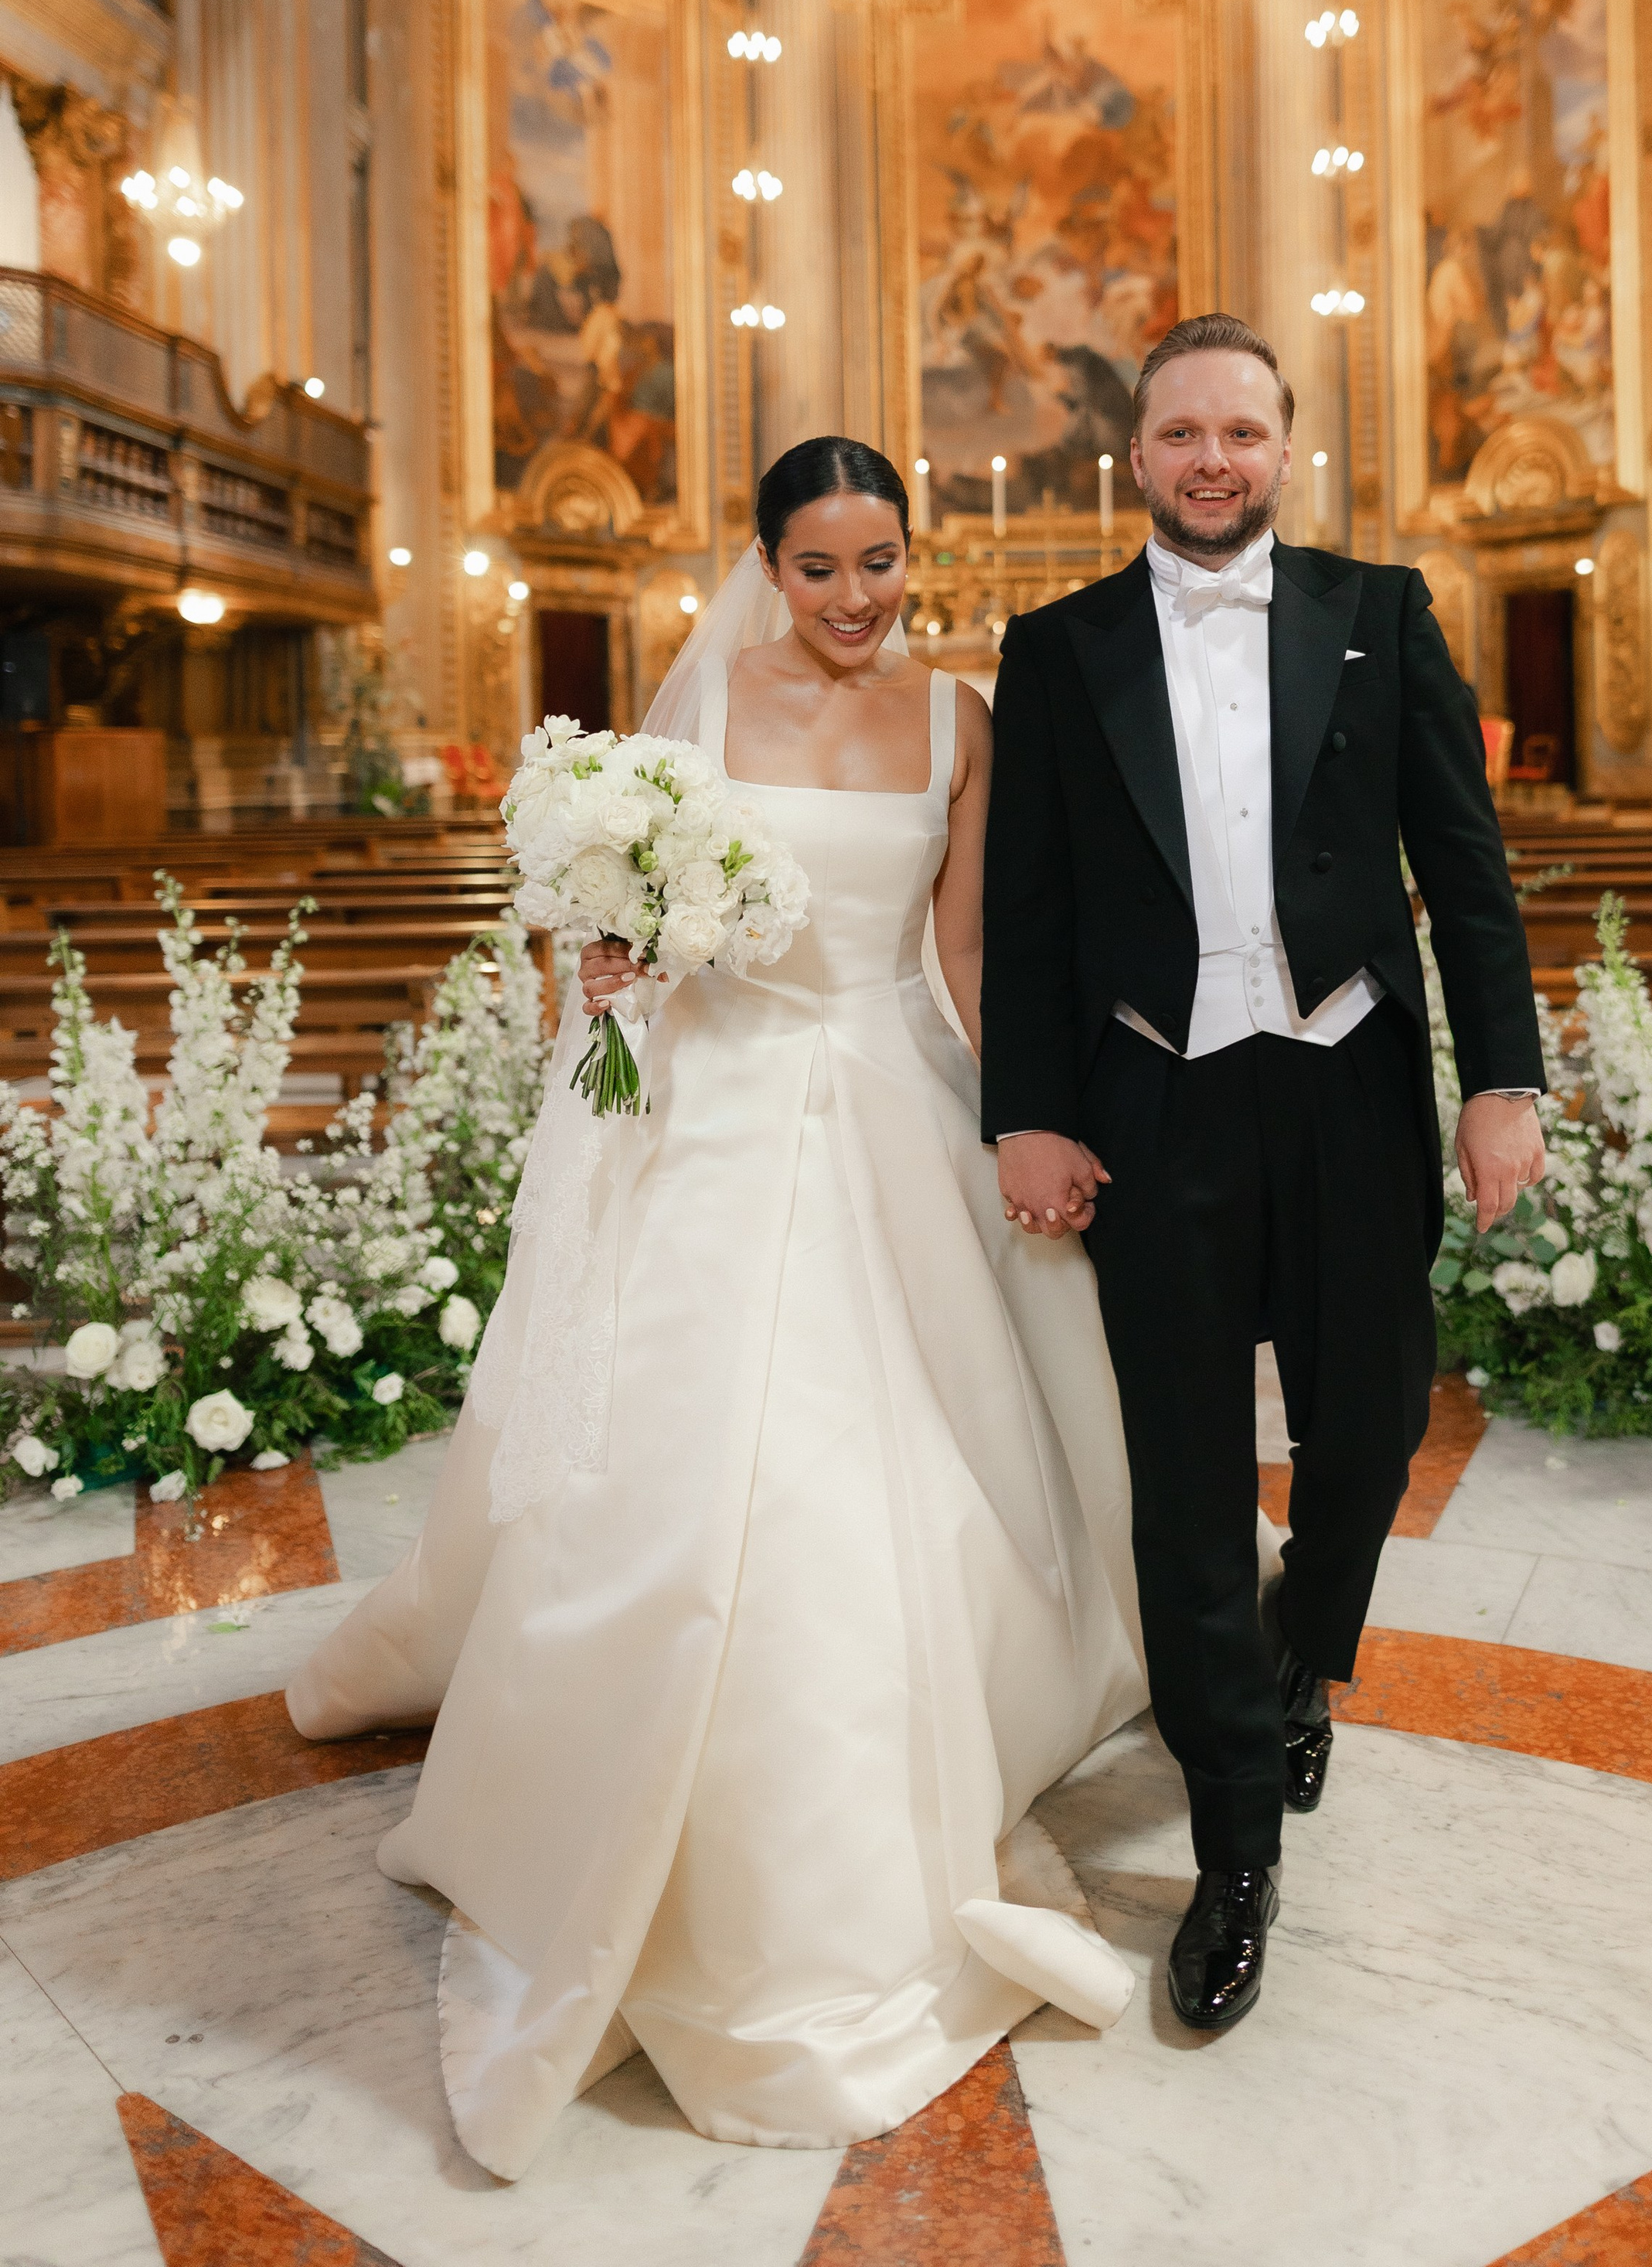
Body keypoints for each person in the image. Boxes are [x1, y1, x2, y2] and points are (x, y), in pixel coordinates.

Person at [287, 437, 1144, 2174]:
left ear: (918, 554)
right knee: (710, 1467)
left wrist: (1019, 1127)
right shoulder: (684, 725)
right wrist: (607, 974)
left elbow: (957, 956)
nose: (855, 599)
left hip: (893, 1101)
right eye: (821, 567)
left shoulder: (958, 724)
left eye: (881, 561)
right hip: (724, 1116)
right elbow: (628, 937)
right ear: (765, 564)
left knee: (928, 1437)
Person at [981, 314, 1546, 2036]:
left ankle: (1308, 1650)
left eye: (1240, 430)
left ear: (1283, 448)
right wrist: (1026, 1108)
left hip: (1350, 1090)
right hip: (1152, 1102)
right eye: (1178, 435)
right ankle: (1234, 1849)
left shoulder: (1379, 616)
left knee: (1370, 1428)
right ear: (1134, 459)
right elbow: (1030, 906)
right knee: (1182, 1483)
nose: (1209, 459)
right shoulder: (1057, 645)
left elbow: (1462, 864)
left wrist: (1501, 1077)